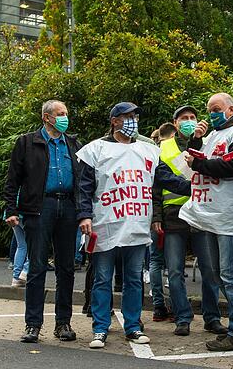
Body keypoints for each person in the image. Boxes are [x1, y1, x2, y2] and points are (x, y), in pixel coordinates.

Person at [77, 102, 191, 348]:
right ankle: (100, 328)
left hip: (136, 225)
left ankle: (132, 326)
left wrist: (196, 186)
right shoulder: (94, 149)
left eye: (135, 117)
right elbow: (84, 187)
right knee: (103, 278)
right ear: (114, 121)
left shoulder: (148, 151)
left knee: (133, 279)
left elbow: (166, 177)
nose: (133, 121)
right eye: (127, 117)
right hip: (105, 224)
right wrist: (84, 216)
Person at [179, 92, 233, 352]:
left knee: (232, 274)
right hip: (213, 215)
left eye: (216, 108)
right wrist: (196, 140)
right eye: (210, 109)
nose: (212, 113)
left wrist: (200, 165)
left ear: (231, 109)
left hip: (231, 215)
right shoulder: (213, 135)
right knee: (220, 274)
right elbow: (192, 160)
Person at [3, 100, 82, 343]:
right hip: (39, 208)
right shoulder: (27, 142)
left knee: (66, 268)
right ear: (47, 117)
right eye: (60, 114)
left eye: (66, 113)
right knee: (36, 267)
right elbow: (13, 178)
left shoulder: (73, 143)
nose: (65, 118)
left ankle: (63, 323)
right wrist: (11, 209)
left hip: (68, 206)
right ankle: (33, 325)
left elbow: (84, 178)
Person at [152, 105, 225, 337]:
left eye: (193, 117)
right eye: (184, 118)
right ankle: (182, 318)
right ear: (175, 123)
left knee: (210, 270)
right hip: (174, 215)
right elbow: (155, 185)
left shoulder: (208, 143)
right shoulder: (162, 147)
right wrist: (156, 217)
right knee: (174, 271)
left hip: (202, 213)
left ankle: (212, 318)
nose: (189, 121)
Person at [149, 122, 177, 322]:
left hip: (159, 215)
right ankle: (172, 306)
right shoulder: (168, 151)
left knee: (157, 262)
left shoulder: (154, 151)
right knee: (168, 265)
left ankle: (159, 306)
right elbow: (156, 188)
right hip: (172, 215)